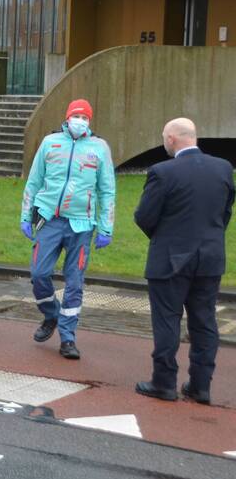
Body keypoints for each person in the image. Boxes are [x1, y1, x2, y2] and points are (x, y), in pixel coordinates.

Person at [133, 118, 234, 404]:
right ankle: (201, 386)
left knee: (167, 321)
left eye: (165, 137)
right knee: (204, 321)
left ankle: (164, 383)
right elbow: (225, 212)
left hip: (170, 259)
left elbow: (144, 216)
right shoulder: (223, 168)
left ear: (172, 139)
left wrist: (165, 236)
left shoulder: (163, 172)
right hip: (210, 258)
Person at [20, 99, 116, 360]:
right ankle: (51, 314)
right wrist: (26, 216)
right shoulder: (50, 143)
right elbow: (34, 181)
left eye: (85, 117)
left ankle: (68, 338)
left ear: (90, 121)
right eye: (77, 116)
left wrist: (106, 228)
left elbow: (107, 190)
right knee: (39, 274)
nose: (80, 121)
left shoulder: (99, 148)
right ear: (67, 117)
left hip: (81, 225)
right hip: (49, 219)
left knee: (74, 283)